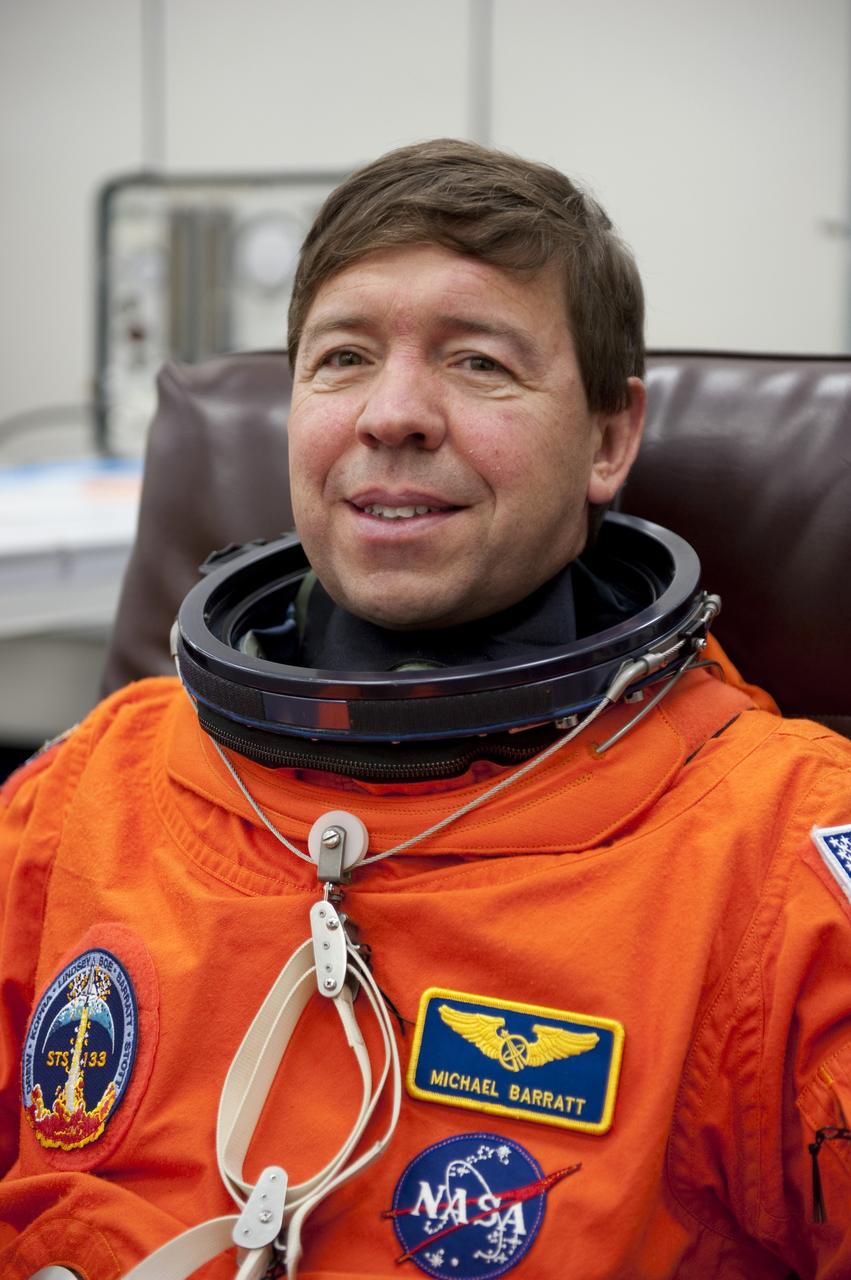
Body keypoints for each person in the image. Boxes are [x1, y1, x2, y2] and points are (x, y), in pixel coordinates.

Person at [1, 139, 850, 1280]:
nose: (392, 414)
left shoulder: (773, 859)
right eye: (342, 357)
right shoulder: (92, 788)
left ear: (607, 438)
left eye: (478, 363)